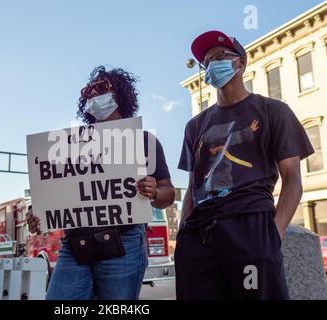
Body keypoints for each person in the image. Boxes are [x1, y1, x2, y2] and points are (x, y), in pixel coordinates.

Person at [175, 30, 315, 300]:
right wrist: (183, 235)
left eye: (219, 57)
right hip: (199, 235)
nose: (212, 65)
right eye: (206, 62)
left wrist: (272, 235)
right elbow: (193, 185)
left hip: (250, 225)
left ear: (240, 63)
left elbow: (293, 179)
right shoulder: (195, 126)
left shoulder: (273, 111)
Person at [27, 66, 175, 300]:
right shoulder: (68, 144)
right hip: (74, 245)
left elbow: (168, 195)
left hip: (124, 243)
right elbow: (54, 192)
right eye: (88, 91)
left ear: (120, 95)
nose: (94, 95)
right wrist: (38, 214)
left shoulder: (144, 141)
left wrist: (155, 192)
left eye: (102, 88)